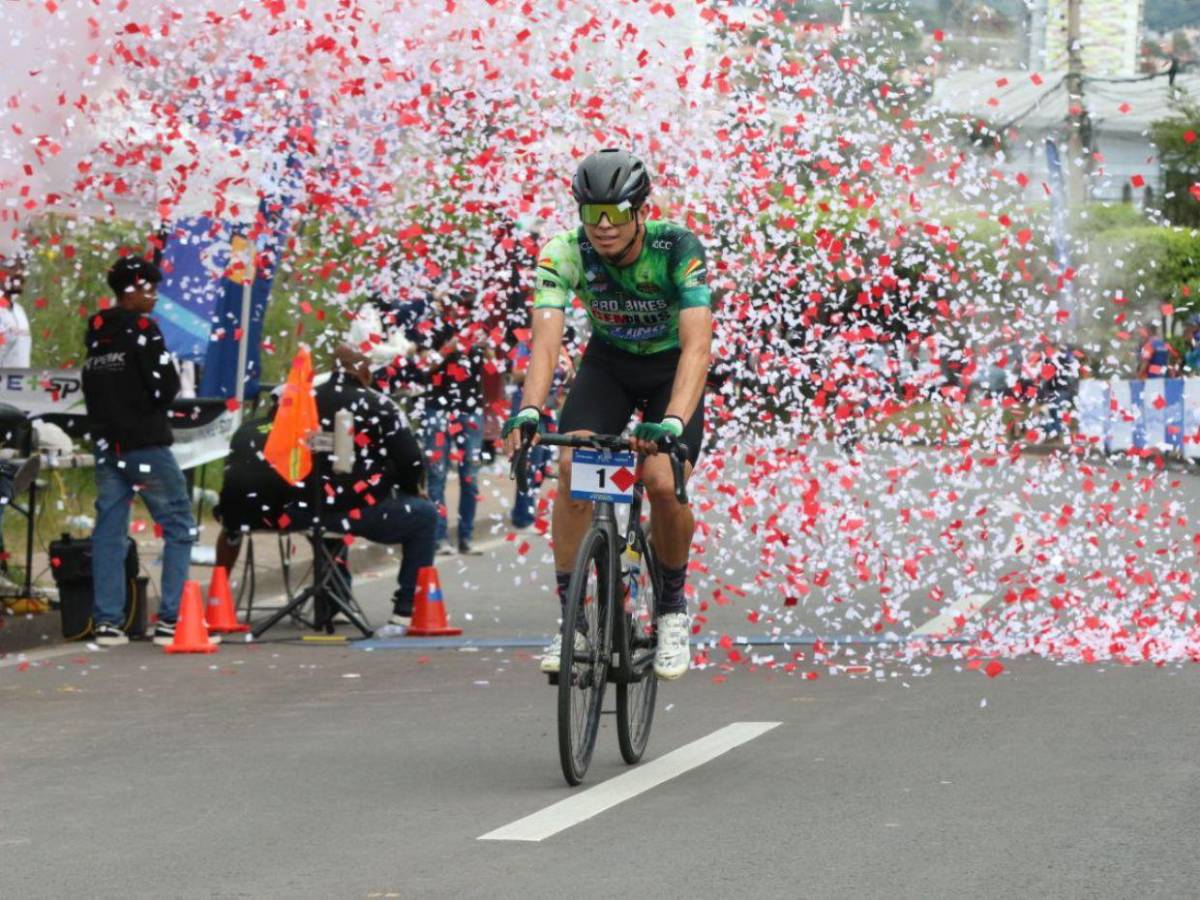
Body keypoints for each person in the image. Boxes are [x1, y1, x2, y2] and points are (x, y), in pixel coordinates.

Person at [501, 148, 713, 680]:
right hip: (610, 366)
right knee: (574, 472)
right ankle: (572, 621)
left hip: (669, 371)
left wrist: (671, 424)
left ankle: (669, 610)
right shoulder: (564, 251)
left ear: (642, 210)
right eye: (590, 213)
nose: (602, 227)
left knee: (663, 484)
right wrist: (529, 410)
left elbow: (697, 348)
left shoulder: (677, 247)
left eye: (615, 213)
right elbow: (546, 344)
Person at [216, 347, 437, 632]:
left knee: (329, 522)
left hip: (304, 511)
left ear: (333, 370)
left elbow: (276, 455)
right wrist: (410, 489)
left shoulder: (301, 405)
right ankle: (405, 610)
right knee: (425, 516)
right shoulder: (380, 404)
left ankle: (335, 598)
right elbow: (412, 462)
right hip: (360, 510)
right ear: (365, 374)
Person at [82, 256, 199, 647]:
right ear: (129, 290)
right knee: (180, 524)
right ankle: (172, 618)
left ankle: (108, 622)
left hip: (106, 445)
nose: (153, 296)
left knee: (110, 532)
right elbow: (165, 387)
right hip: (145, 443)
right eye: (147, 287)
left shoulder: (98, 334)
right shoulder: (145, 330)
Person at [412, 294, 492, 556]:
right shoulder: (433, 329)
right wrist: (450, 348)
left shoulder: (480, 329)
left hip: (470, 411)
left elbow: (494, 367)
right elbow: (424, 366)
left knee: (470, 476)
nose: (463, 311)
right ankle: (439, 538)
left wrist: (486, 346)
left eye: (468, 306)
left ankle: (466, 538)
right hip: (438, 408)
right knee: (437, 474)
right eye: (459, 306)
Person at [0, 252, 32, 368]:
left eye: (22, 268)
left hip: (19, 383)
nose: (19, 273)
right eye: (13, 267)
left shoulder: (19, 311)